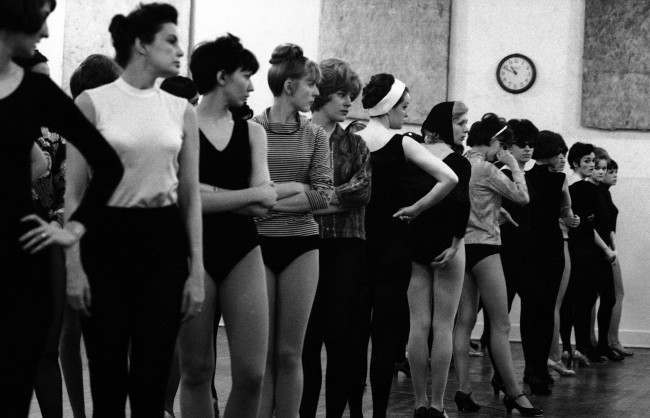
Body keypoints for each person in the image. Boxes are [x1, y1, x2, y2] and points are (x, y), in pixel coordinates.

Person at [64, 4, 204, 416]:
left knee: (152, 375)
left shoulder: (181, 110)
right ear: (141, 45)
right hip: (104, 235)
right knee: (106, 375)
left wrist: (196, 268)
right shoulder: (91, 104)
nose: (181, 52)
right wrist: (74, 268)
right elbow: (74, 194)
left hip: (161, 239)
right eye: (171, 41)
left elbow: (191, 195)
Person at [0, 1, 124, 416]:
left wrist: (71, 226)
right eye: (41, 17)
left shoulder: (37, 92)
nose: (48, 33)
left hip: (24, 255)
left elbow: (105, 164)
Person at [178, 34, 273, 418]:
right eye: (246, 75)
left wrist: (204, 193)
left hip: (243, 252)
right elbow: (179, 202)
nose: (251, 86)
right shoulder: (180, 127)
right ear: (221, 76)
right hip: (190, 252)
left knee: (251, 375)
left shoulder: (253, 132)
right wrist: (242, 196)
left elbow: (265, 202)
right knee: (196, 371)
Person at [355, 74, 458, 418]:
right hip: (393, 247)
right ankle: (380, 413)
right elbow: (450, 178)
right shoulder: (403, 143)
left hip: (354, 245)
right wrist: (417, 208)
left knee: (353, 339)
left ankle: (355, 411)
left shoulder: (351, 138)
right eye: (404, 108)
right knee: (385, 338)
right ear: (389, 108)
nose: (406, 114)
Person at [253, 43, 333, 418]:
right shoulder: (252, 129)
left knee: (291, 351)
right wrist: (294, 191)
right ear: (289, 87)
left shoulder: (315, 134)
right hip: (257, 246)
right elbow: (245, 197)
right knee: (263, 352)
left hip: (302, 244)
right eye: (311, 86)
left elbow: (324, 195)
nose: (316, 93)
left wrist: (268, 204)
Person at [452, 114, 542, 416]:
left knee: (463, 322)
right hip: (486, 247)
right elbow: (523, 196)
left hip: (460, 248)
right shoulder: (487, 167)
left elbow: (467, 202)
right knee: (500, 324)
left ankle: (463, 390)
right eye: (502, 145)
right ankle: (514, 394)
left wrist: (494, 211)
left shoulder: (460, 162)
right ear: (494, 142)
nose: (502, 150)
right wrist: (514, 165)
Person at [299, 58, 370, 418]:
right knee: (306, 342)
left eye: (351, 95)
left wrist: (306, 202)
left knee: (342, 341)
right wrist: (316, 201)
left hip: (345, 250)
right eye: (341, 94)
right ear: (322, 93)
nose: (347, 102)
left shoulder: (355, 144)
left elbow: (361, 191)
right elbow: (281, 190)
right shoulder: (301, 137)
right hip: (306, 245)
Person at [403, 101, 470, 418]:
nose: (465, 128)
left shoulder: (412, 154)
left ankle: (418, 402)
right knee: (443, 326)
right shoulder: (459, 162)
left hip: (416, 243)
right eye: (460, 123)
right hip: (448, 246)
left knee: (418, 325)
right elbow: (462, 206)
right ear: (447, 123)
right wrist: (457, 245)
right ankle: (438, 405)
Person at [519, 131, 580, 395]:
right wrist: (572, 220)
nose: (563, 160)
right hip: (551, 248)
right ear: (553, 155)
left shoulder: (524, 177)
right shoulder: (560, 180)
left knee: (529, 310)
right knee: (545, 311)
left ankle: (530, 368)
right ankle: (540, 371)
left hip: (528, 247)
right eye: (561, 155)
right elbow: (567, 213)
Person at [565, 142, 618, 365]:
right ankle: (580, 347)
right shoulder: (578, 188)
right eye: (587, 161)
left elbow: (602, 223)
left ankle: (591, 346)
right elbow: (586, 225)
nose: (593, 166)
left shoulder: (594, 190)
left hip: (595, 251)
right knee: (580, 301)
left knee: (597, 299)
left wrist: (610, 248)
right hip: (584, 250)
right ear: (576, 163)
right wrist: (606, 249)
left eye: (593, 162)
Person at [600, 159, 632, 357]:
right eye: (608, 171)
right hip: (605, 250)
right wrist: (610, 249)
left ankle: (611, 339)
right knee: (615, 294)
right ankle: (611, 340)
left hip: (609, 248)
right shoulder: (600, 194)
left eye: (613, 171)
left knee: (613, 295)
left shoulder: (605, 194)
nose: (613, 175)